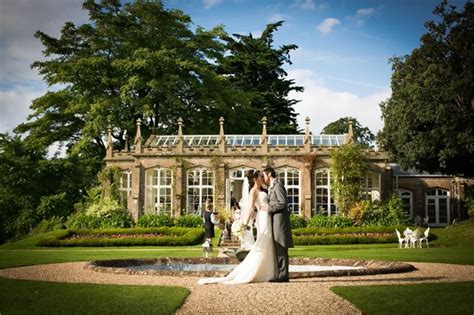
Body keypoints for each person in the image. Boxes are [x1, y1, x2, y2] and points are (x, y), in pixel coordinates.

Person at [198, 170, 276, 285]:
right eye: (260, 177)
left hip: (266, 216)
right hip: (262, 218)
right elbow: (250, 209)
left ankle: (268, 270)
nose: (262, 178)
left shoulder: (263, 189)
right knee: (263, 243)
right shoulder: (253, 191)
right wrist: (244, 223)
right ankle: (259, 272)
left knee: (267, 242)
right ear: (255, 179)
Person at [262, 167, 294, 283]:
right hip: (274, 221)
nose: (263, 178)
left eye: (264, 175)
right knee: (277, 247)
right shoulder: (272, 187)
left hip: (280, 222)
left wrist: (268, 208)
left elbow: (283, 204)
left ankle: (283, 275)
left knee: (280, 246)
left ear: (269, 174)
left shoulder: (278, 185)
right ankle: (279, 273)